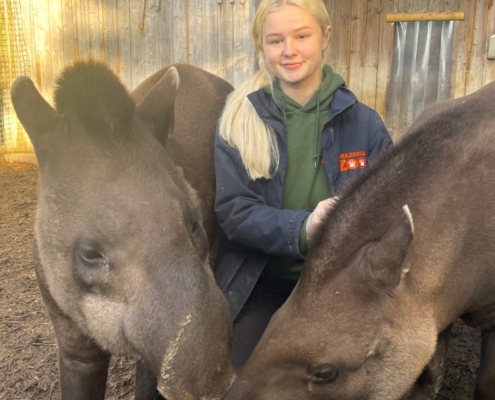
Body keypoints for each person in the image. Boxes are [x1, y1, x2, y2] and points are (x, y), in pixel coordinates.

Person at [213, 0, 392, 371]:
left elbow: (389, 211)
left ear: (325, 37)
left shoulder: (365, 125)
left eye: (301, 36)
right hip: (261, 283)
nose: (289, 50)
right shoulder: (238, 121)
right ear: (261, 45)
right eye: (275, 40)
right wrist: (305, 227)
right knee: (242, 379)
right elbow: (235, 212)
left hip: (340, 284)